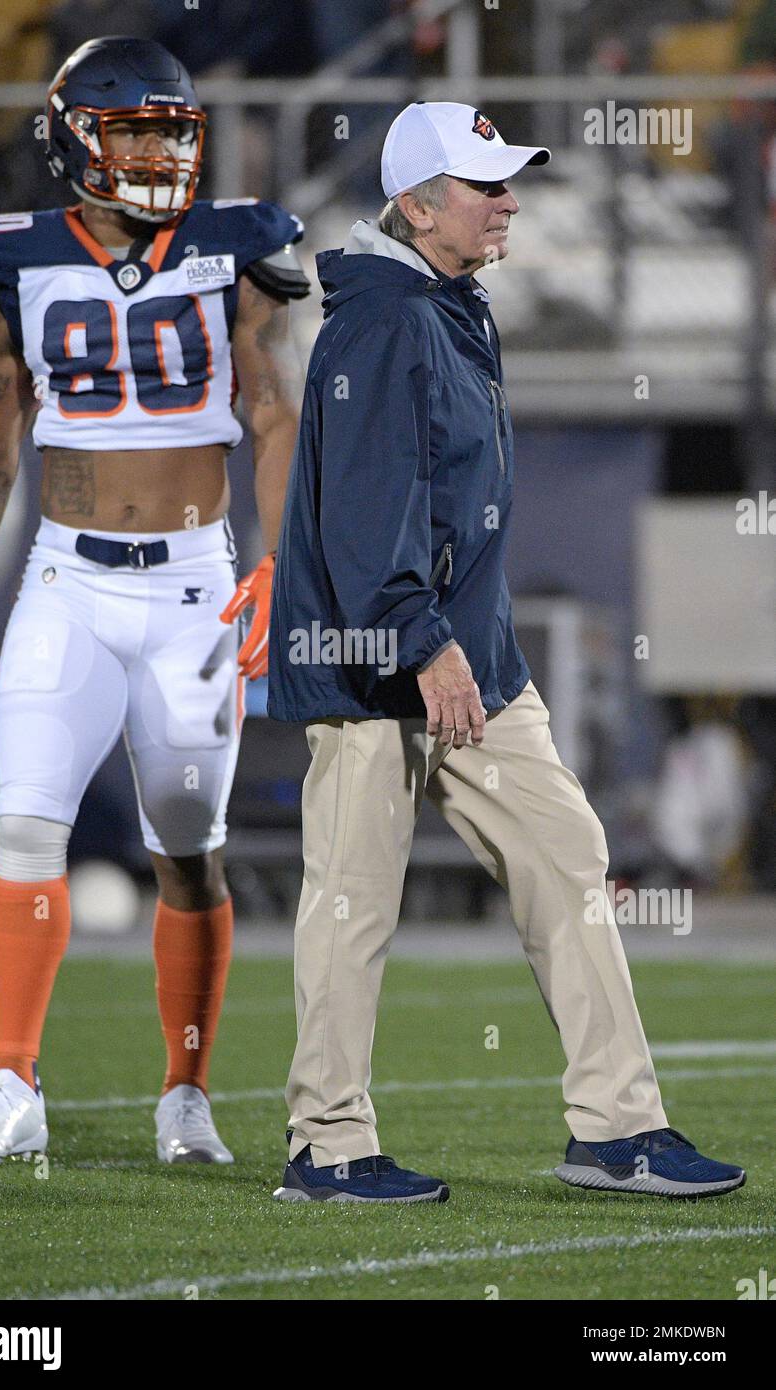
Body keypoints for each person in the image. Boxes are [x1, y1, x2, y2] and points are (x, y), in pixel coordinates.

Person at [267, 100, 746, 1203]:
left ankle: (616, 1129)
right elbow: (363, 514)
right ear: (417, 200)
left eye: (506, 181)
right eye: (485, 185)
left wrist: (465, 649)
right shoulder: (383, 320)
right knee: (353, 903)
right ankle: (326, 1146)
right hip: (379, 666)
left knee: (569, 861)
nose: (510, 200)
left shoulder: (444, 302)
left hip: (468, 660)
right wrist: (424, 642)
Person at [0, 36, 308, 1166]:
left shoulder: (237, 247)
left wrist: (278, 558)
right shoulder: (14, 259)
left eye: (169, 132)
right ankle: (12, 1081)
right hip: (65, 580)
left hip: (195, 586)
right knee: (27, 826)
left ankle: (184, 1091)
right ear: (75, 139)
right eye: (133, 130)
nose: (155, 154)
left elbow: (272, 415)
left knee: (187, 849)